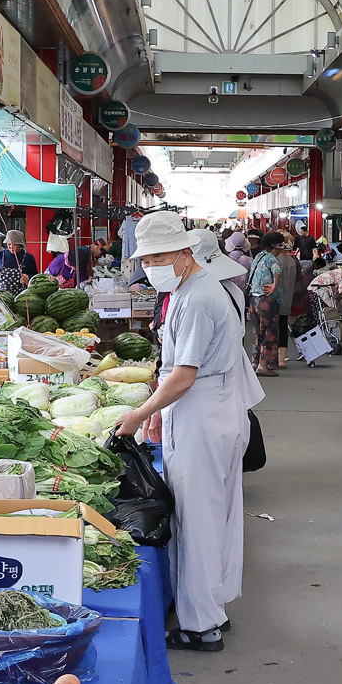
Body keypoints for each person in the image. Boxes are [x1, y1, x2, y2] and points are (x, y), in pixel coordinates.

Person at [112, 212, 260, 652]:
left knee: (198, 520)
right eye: (147, 259)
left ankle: (201, 626)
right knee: (210, 514)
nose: (151, 265)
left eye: (158, 257)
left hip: (203, 413)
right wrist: (161, 410)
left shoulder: (197, 297)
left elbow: (184, 375)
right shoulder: (187, 289)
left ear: (183, 252)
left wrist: (141, 413)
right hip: (203, 408)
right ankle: (212, 609)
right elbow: (176, 370)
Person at [247, 234, 284, 376]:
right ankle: (264, 364)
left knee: (257, 332)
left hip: (254, 299)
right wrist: (274, 285)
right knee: (269, 332)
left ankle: (255, 362)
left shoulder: (258, 257)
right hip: (267, 299)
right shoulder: (272, 259)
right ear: (275, 245)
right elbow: (277, 271)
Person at [275, 233, 298, 370]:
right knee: (283, 327)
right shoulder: (292, 261)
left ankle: (269, 357)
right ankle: (281, 359)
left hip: (274, 299)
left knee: (271, 328)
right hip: (287, 299)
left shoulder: (275, 260)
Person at [0, 229, 38, 295]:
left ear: (20, 245)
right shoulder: (1, 254)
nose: (11, 247)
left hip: (20, 295)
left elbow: (35, 276)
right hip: (1, 294)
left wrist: (28, 277)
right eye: (9, 244)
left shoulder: (28, 257)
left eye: (14, 244)